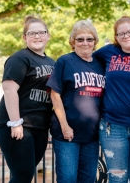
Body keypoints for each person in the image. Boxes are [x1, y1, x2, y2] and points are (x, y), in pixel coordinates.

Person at [0, 16, 55, 183]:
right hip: (17, 125)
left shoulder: (52, 62)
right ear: (24, 37)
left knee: (23, 175)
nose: (37, 36)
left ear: (48, 36)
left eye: (41, 32)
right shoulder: (19, 58)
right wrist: (16, 123)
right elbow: (9, 89)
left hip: (39, 127)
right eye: (32, 33)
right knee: (23, 176)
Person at [94, 16, 130, 183]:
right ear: (116, 37)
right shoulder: (107, 53)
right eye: (121, 34)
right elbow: (85, 61)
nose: (126, 36)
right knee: (117, 178)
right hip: (113, 127)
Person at [46, 20, 105, 183]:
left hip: (92, 135)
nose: (85, 43)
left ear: (95, 42)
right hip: (68, 134)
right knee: (68, 178)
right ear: (73, 42)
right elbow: (55, 95)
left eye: (89, 39)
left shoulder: (101, 64)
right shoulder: (65, 61)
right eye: (80, 39)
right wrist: (65, 126)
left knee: (88, 179)